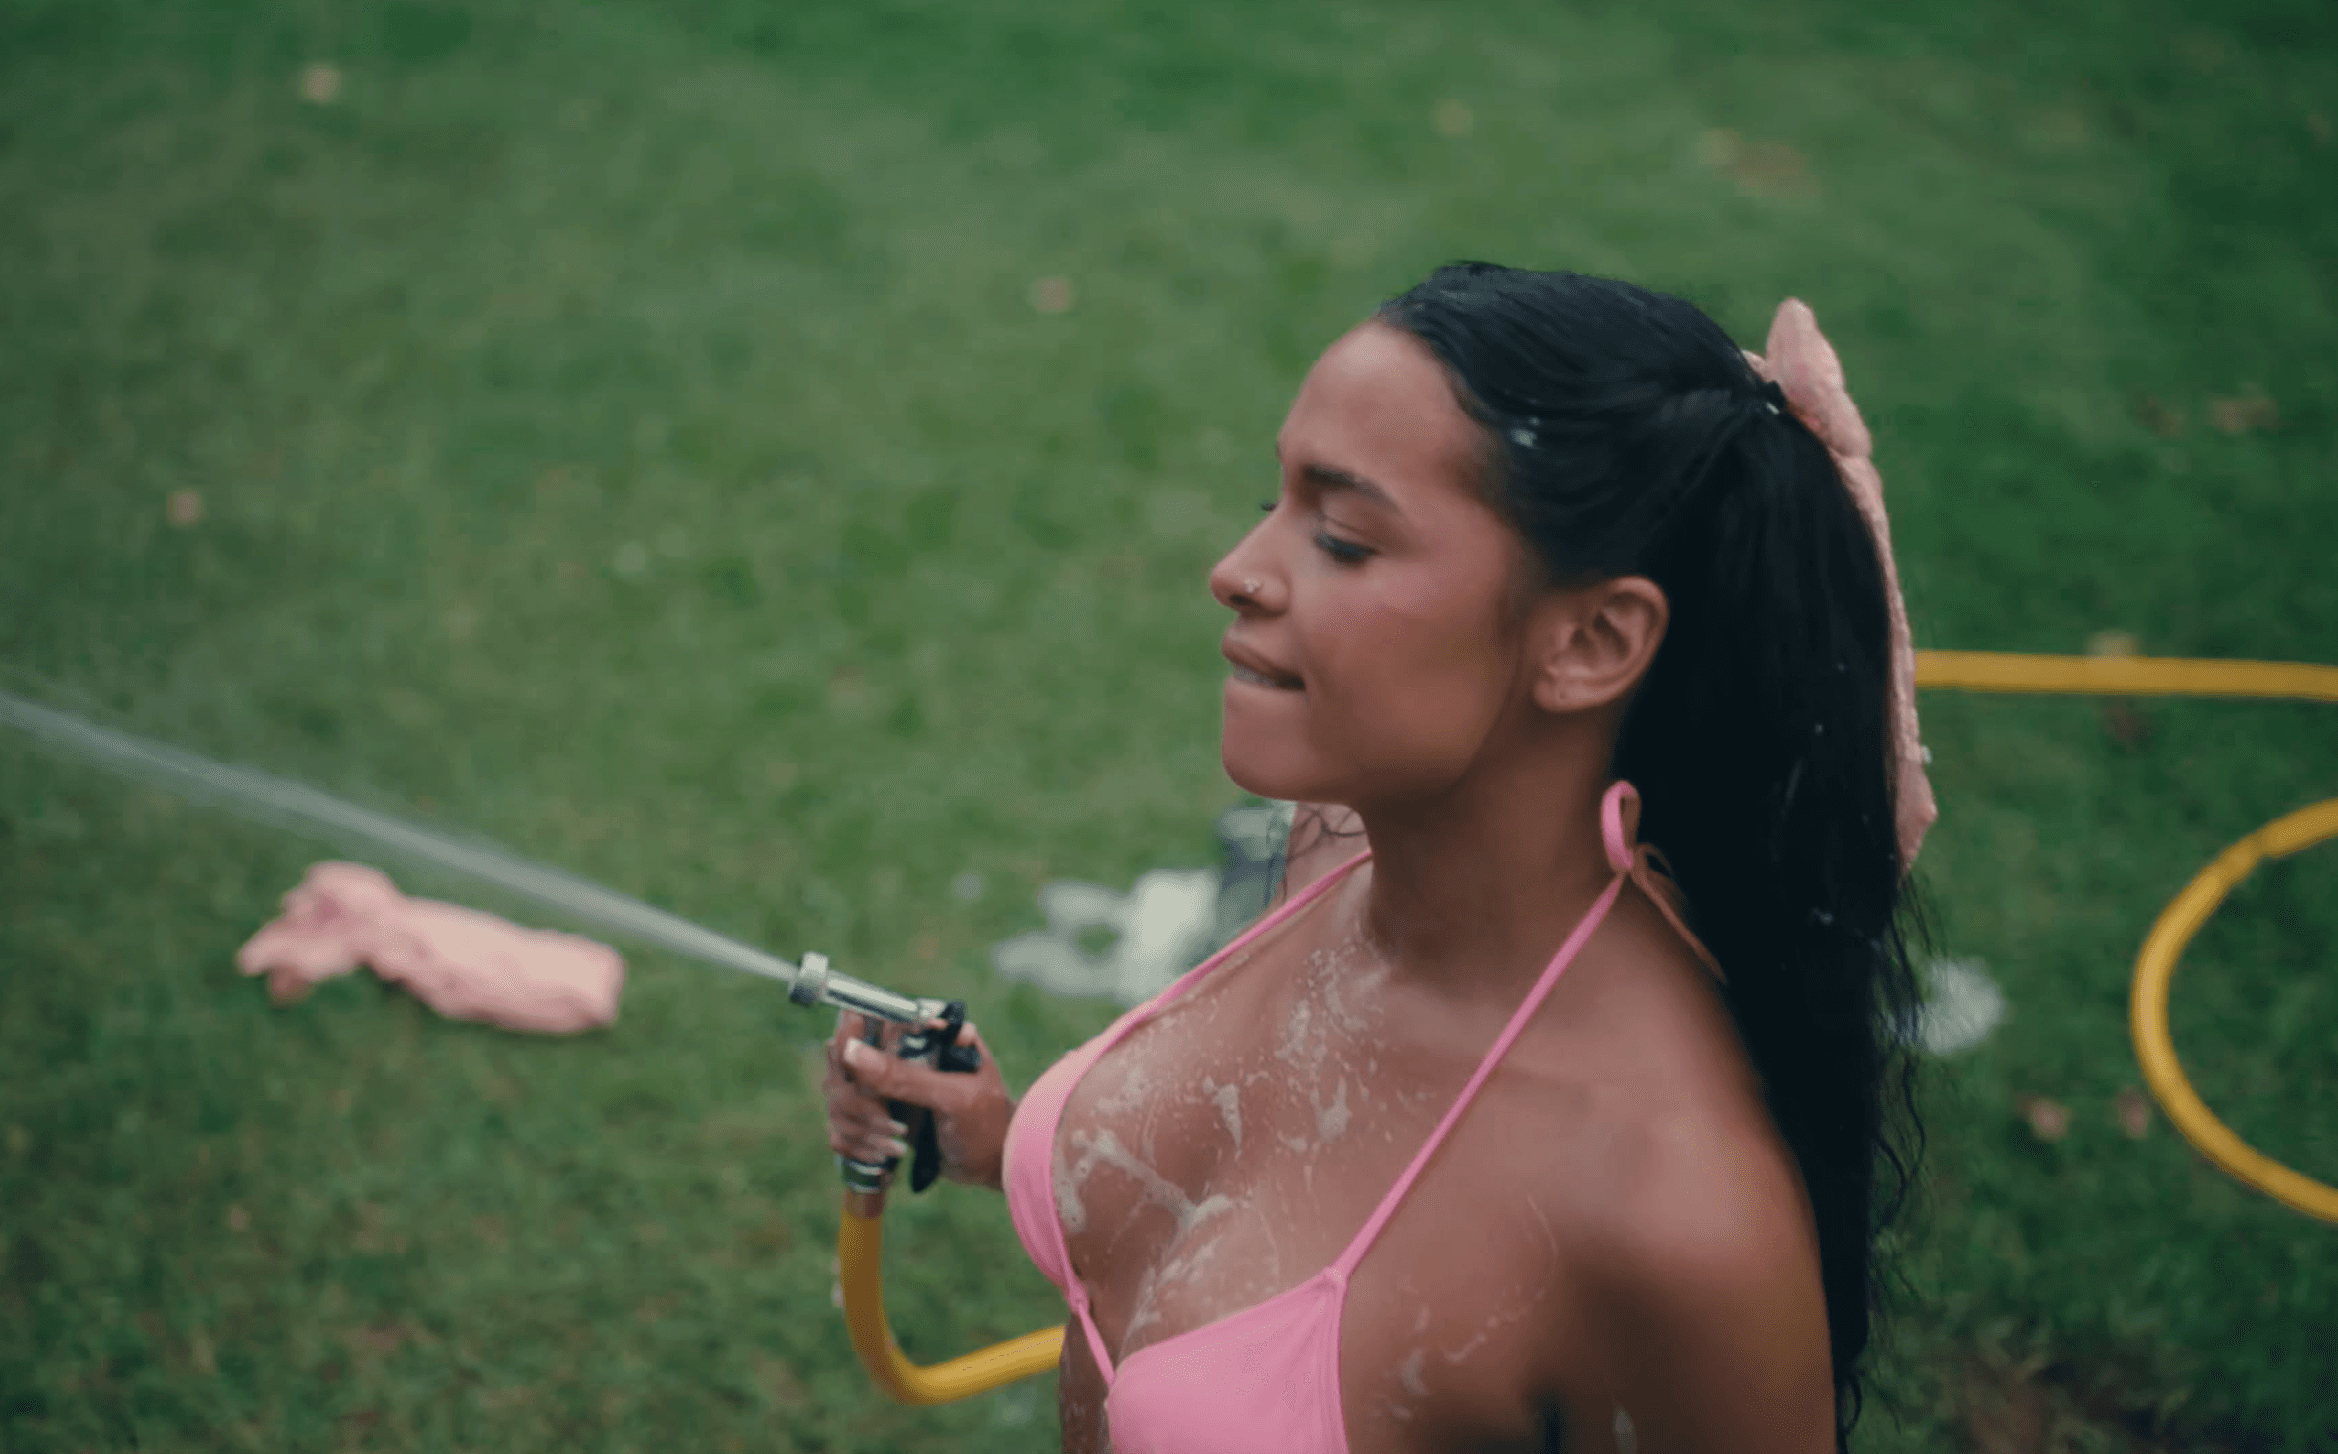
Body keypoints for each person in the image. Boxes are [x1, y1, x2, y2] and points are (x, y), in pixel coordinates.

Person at [823, 263, 1936, 1453]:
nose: (1239, 568)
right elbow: (1272, 1199)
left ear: (1593, 639)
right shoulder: (1344, 845)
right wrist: (998, 1136)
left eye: (1345, 537)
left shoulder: (1676, 1212)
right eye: (1276, 498)